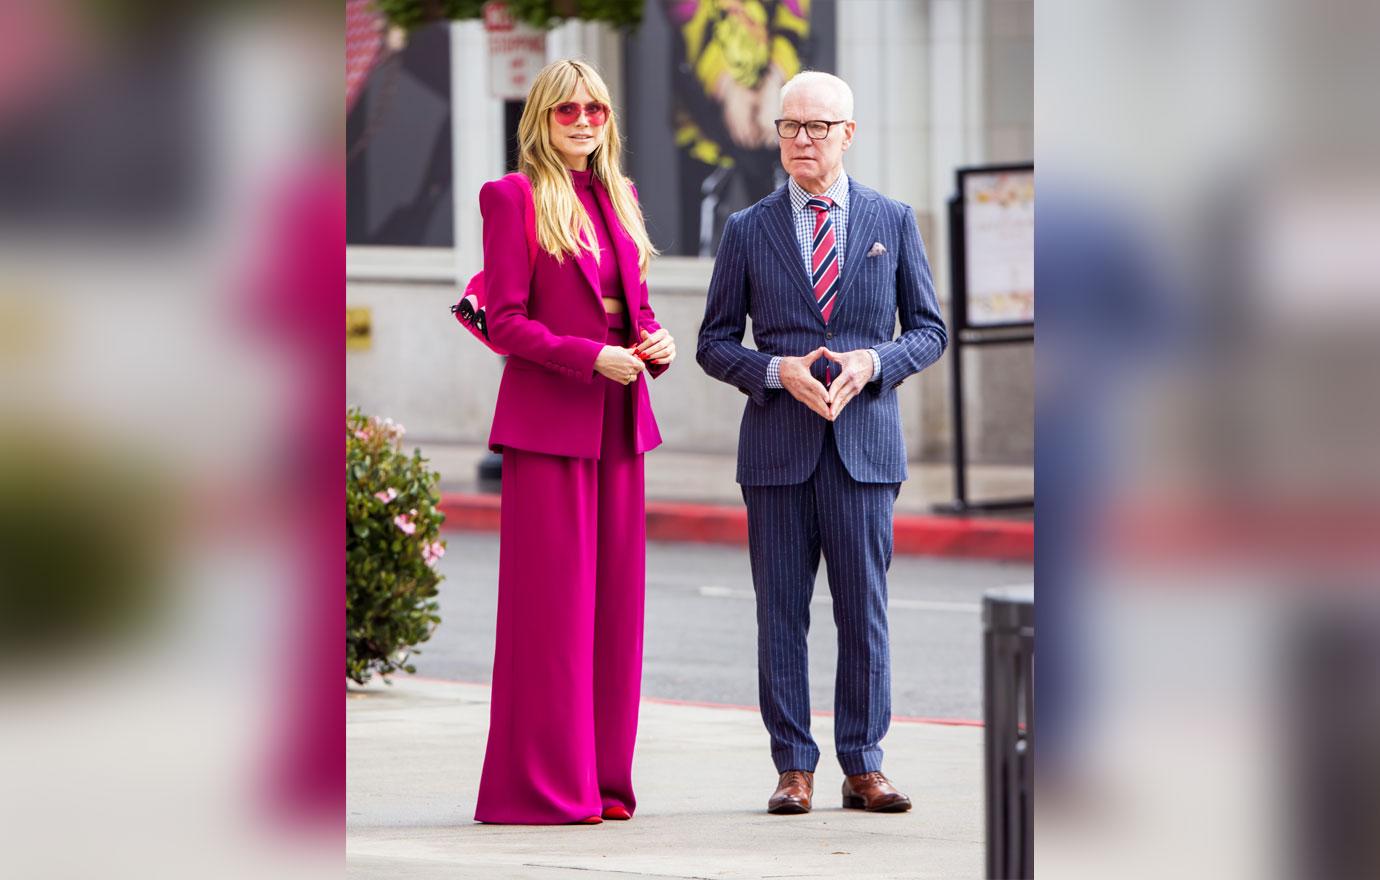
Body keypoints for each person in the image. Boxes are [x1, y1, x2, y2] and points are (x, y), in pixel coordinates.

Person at [696, 70, 947, 815]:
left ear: (848, 133)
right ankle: (793, 768)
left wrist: (874, 363)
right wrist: (775, 371)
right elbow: (713, 343)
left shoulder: (892, 221)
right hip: (777, 451)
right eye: (789, 128)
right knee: (781, 611)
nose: (801, 141)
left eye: (817, 128)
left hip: (864, 448)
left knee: (862, 611)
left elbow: (929, 330)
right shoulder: (747, 229)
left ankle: (864, 764)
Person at [474, 59, 676, 825]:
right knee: (552, 617)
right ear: (542, 120)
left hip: (620, 428)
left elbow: (637, 308)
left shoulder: (620, 195)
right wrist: (590, 356)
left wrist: (652, 341)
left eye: (596, 108)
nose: (585, 121)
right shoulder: (512, 197)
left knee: (615, 617)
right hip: (549, 429)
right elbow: (505, 323)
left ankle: (602, 783)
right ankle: (543, 787)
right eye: (568, 111)